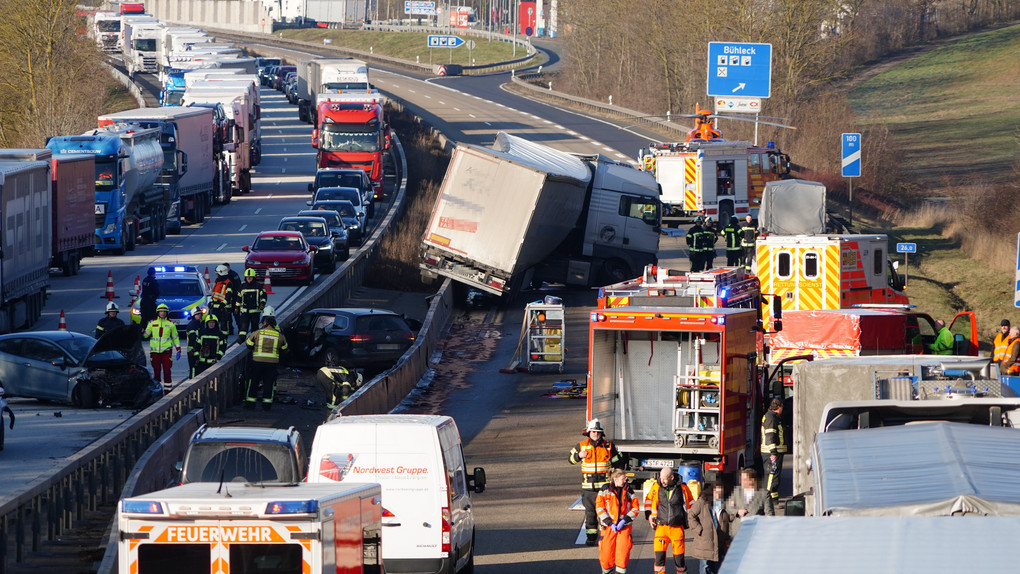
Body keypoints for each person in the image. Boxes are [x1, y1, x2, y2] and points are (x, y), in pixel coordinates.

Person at [569, 418, 622, 546]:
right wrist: (578, 456)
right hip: (589, 490)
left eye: (598, 432)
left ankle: (606, 538)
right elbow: (570, 460)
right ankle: (591, 538)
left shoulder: (609, 446)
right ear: (588, 433)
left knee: (607, 514)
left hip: (605, 489)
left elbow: (619, 462)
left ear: (601, 433)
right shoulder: (581, 446)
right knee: (591, 515)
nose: (595, 434)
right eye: (593, 432)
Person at [645, 467, 693, 574]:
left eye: (665, 479)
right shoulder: (656, 487)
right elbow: (648, 500)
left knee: (679, 560)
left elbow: (691, 504)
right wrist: (649, 515)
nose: (662, 481)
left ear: (672, 477)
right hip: (661, 527)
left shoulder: (683, 488)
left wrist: (691, 521)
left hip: (677, 528)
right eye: (661, 478)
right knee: (659, 559)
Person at [596, 468, 639, 574]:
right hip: (608, 527)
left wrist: (624, 520)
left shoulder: (628, 490)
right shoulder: (605, 489)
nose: (625, 481)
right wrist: (609, 522)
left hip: (623, 527)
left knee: (622, 555)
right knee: (606, 555)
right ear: (615, 479)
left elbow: (635, 508)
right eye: (623, 478)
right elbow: (599, 507)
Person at [244, 306, 288, 411]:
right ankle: (266, 405)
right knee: (268, 384)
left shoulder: (258, 333)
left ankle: (250, 404)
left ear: (265, 323)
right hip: (272, 364)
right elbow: (285, 348)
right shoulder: (279, 335)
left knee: (254, 383)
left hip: (257, 362)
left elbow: (248, 344)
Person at [688, 483, 732, 574]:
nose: (719, 495)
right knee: (705, 567)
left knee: (717, 568)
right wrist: (699, 530)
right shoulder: (702, 502)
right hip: (705, 542)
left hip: (719, 542)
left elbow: (730, 518)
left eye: (721, 493)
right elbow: (691, 516)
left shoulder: (724, 504)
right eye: (717, 492)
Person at [142, 303, 181, 394]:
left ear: (166, 313)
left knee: (167, 372)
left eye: (164, 312)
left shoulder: (171, 324)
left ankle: (168, 391)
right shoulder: (152, 323)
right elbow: (146, 335)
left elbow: (175, 337)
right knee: (156, 372)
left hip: (166, 352)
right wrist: (142, 330)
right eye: (161, 311)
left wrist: (178, 349)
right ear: (158, 313)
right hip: (155, 352)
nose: (162, 313)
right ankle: (157, 391)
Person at [725, 468, 773, 537]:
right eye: (741, 479)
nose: (741, 482)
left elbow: (769, 515)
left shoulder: (764, 494)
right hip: (737, 532)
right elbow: (728, 507)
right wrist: (737, 511)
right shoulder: (737, 491)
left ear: (752, 480)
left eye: (744, 480)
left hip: (755, 532)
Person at [760, 397, 787, 501]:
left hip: (774, 452)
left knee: (774, 476)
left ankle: (773, 499)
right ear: (778, 407)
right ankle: (768, 499)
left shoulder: (772, 416)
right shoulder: (771, 418)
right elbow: (770, 436)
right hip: (771, 453)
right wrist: (773, 453)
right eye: (782, 407)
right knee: (772, 475)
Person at [235, 268, 267, 344]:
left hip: (255, 312)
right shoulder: (242, 287)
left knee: (254, 330)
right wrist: (236, 308)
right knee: (243, 329)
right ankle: (241, 340)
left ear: (254, 277)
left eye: (250, 277)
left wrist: (262, 304)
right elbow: (238, 298)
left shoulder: (258, 286)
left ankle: (253, 344)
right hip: (245, 312)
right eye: (247, 277)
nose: (249, 279)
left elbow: (264, 296)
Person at [210, 265, 236, 337]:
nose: (216, 275)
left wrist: (223, 303)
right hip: (215, 307)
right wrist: (211, 302)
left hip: (224, 308)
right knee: (214, 323)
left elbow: (229, 295)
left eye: (217, 273)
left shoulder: (228, 283)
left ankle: (224, 338)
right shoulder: (217, 281)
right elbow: (214, 293)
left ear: (220, 273)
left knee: (224, 324)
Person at [184, 307, 207, 378]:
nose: (199, 315)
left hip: (199, 349)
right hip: (192, 350)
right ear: (193, 315)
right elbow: (193, 338)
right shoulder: (191, 325)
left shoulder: (199, 324)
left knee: (199, 369)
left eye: (200, 314)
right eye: (197, 314)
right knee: (194, 369)